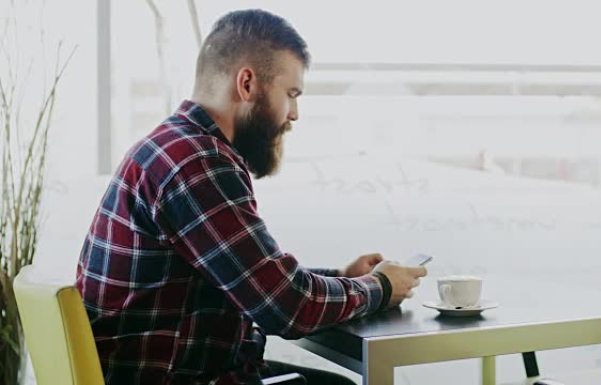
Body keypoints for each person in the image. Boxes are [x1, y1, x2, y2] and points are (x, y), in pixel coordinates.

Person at [76, 9, 427, 385]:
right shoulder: (198, 163)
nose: (294, 114)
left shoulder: (172, 147)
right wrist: (382, 286)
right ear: (247, 83)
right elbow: (288, 308)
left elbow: (257, 280)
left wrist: (342, 277)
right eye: (290, 94)